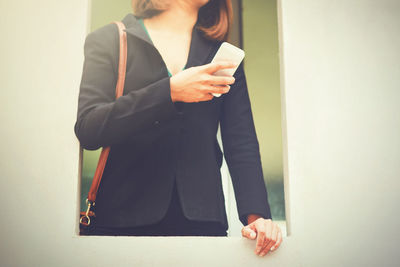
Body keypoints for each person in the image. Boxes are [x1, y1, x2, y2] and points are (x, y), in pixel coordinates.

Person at [74, 0, 282, 256]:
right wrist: (170, 92)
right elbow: (89, 128)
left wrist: (257, 218)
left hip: (202, 223)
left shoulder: (222, 55)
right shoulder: (110, 40)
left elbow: (241, 144)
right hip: (120, 218)